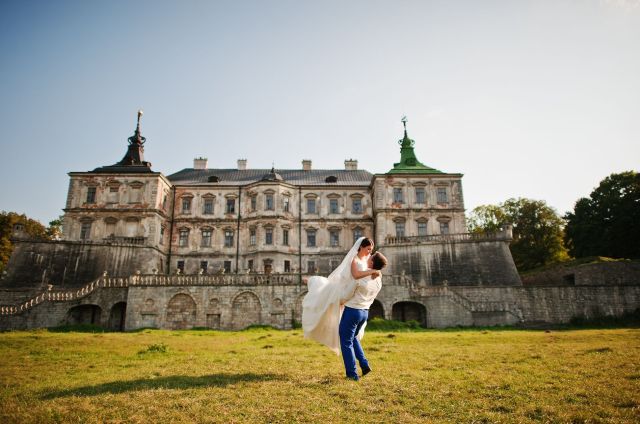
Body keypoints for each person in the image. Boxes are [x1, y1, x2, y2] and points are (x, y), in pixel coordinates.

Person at [301, 238, 382, 357]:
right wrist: (373, 271)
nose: (370, 252)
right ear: (361, 247)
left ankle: (360, 363)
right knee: (322, 298)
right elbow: (355, 275)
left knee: (349, 333)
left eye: (371, 250)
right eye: (368, 249)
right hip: (345, 290)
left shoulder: (366, 261)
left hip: (354, 295)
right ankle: (310, 281)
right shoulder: (354, 260)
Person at [339, 251, 387, 380]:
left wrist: (339, 301)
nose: (368, 257)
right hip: (365, 312)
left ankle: (352, 374)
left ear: (371, 262)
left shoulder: (361, 277)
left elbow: (348, 294)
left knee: (345, 341)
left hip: (352, 311)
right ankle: (365, 365)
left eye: (370, 257)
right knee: (353, 338)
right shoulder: (378, 281)